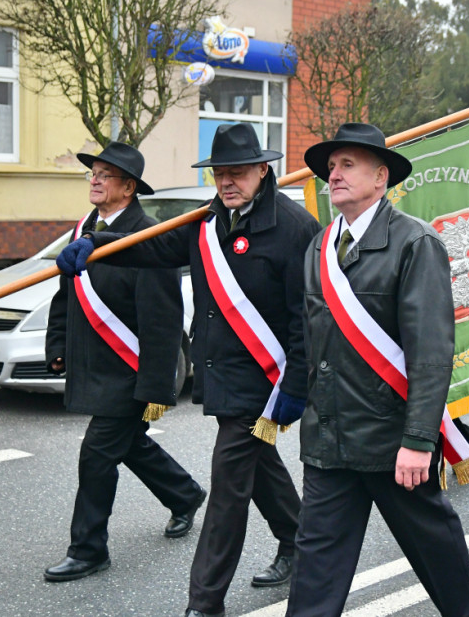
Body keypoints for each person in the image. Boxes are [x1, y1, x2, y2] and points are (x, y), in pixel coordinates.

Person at [57, 123, 319, 617]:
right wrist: (95, 245)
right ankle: (298, 540)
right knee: (256, 467)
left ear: (263, 171)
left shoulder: (294, 228)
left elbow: (306, 316)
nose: (227, 182)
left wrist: (297, 384)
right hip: (222, 372)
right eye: (220, 173)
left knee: (227, 488)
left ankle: (205, 602)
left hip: (267, 377)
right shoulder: (207, 222)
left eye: (237, 173)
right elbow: (153, 248)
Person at [287, 123, 469, 617]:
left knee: (437, 551)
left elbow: (432, 353)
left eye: (347, 165)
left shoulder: (415, 243)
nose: (333, 175)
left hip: (390, 442)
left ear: (381, 178)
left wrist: (419, 441)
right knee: (315, 570)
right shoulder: (318, 248)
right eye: (331, 167)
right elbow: (311, 343)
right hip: (329, 442)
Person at [43, 142, 205, 582]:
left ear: (128, 187)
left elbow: (163, 321)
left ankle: (89, 549)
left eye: (104, 175)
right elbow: (67, 293)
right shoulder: (84, 229)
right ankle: (185, 494)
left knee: (96, 454)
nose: (94, 180)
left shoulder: (147, 236)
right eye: (91, 173)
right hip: (96, 364)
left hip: (129, 370)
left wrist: (156, 388)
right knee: (128, 444)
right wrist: (57, 343)